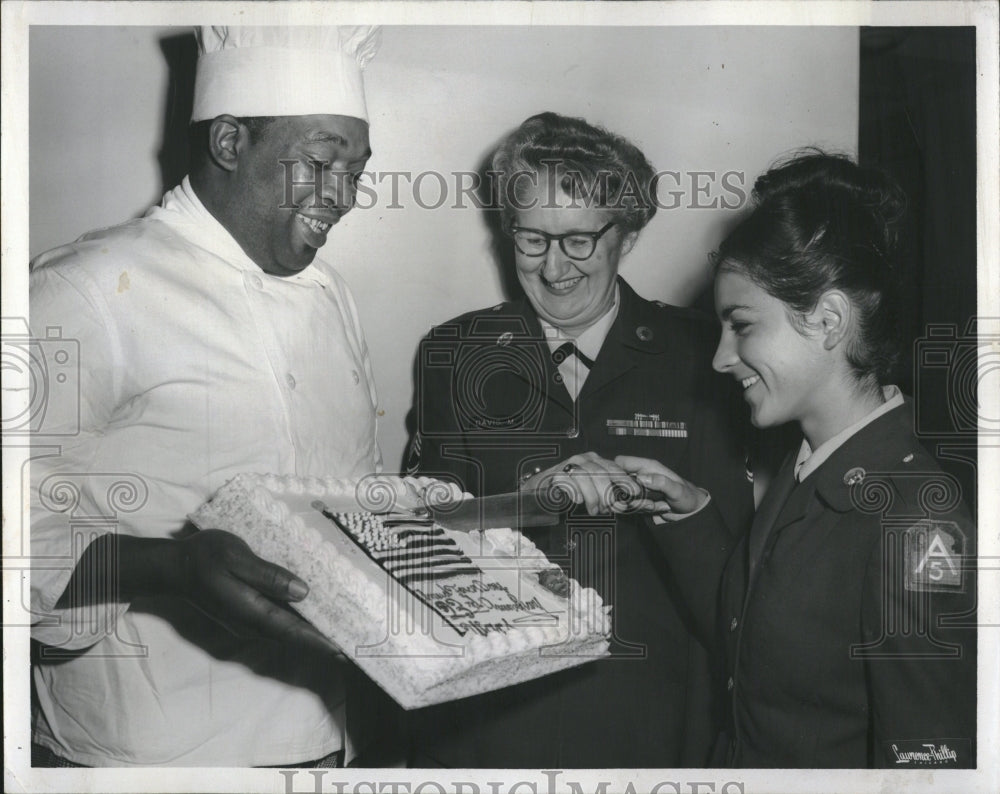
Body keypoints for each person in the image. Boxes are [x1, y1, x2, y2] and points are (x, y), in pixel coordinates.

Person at [29, 26, 385, 766]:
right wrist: (174, 569)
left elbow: (350, 503)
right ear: (229, 142)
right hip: (145, 754)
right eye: (321, 163)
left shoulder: (333, 296)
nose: (343, 197)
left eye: (357, 171)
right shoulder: (85, 289)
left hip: (320, 737)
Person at [403, 112, 755, 767]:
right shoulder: (456, 351)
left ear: (628, 234)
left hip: (649, 728)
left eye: (580, 241)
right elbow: (418, 549)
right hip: (487, 728)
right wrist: (523, 506)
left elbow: (735, 588)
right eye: (531, 240)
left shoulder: (706, 357)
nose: (554, 268)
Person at [616, 152, 977, 767]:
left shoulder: (913, 523)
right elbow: (755, 641)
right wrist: (690, 512)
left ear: (828, 321)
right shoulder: (810, 463)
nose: (720, 358)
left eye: (742, 325)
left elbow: (928, 764)